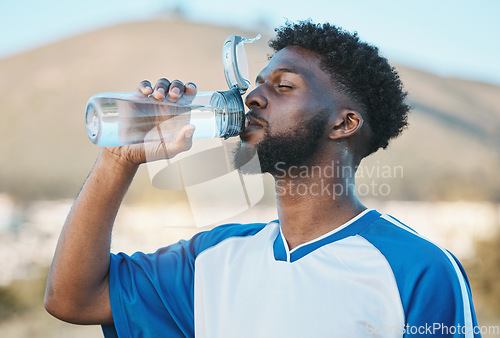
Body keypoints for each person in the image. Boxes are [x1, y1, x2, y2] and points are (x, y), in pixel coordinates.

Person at [44, 21, 481, 337]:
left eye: (283, 86)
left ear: (343, 123)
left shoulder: (417, 270)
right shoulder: (212, 258)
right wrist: (119, 160)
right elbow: (73, 299)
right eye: (256, 84)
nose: (252, 96)